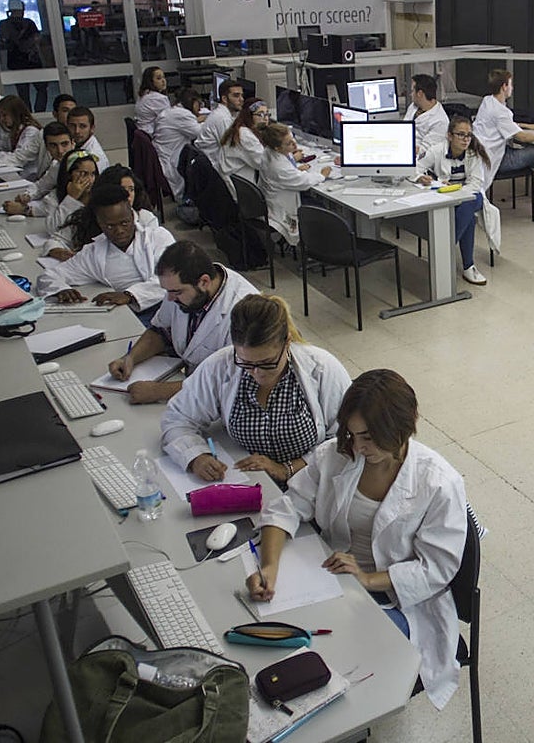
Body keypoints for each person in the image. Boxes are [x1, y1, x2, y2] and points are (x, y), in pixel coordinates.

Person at [251, 369, 467, 709]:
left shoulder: (439, 483)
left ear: (403, 428)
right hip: (331, 578)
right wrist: (269, 566)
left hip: (398, 599)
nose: (358, 447)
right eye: (352, 435)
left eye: (369, 437)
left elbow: (437, 569)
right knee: (280, 643)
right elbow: (288, 508)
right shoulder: (338, 454)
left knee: (338, 665)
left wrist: (366, 578)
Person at [161, 294, 351, 485]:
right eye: (246, 363)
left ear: (287, 342)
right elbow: (178, 418)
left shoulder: (322, 368)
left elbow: (344, 440)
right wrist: (196, 456)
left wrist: (287, 469)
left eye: (268, 363)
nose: (257, 373)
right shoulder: (220, 366)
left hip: (312, 479)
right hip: (248, 479)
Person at [108, 240, 259, 404]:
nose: (170, 298)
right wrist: (130, 358)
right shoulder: (180, 290)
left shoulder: (245, 314)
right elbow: (160, 331)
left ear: (204, 282)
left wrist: (159, 391)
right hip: (190, 385)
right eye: (167, 291)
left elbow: (230, 382)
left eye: (176, 292)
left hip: (224, 403)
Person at [34, 182, 175, 322]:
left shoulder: (158, 238)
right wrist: (61, 289)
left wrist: (129, 295)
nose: (119, 230)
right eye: (110, 226)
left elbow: (170, 279)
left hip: (167, 308)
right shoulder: (93, 253)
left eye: (124, 223)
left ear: (133, 216)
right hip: (125, 315)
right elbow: (49, 276)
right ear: (100, 223)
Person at [473, 69, 534, 217]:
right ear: (504, 86)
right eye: (510, 84)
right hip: (497, 159)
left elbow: (506, 123)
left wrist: (529, 126)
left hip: (485, 153)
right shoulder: (500, 111)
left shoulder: (488, 100)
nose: (512, 88)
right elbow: (521, 137)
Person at [417, 115, 491, 285]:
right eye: (461, 135)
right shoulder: (437, 151)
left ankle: (445, 251)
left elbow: (476, 183)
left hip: (471, 196)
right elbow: (416, 168)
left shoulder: (473, 154)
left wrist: (456, 192)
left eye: (469, 135)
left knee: (467, 204)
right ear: (449, 136)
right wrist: (421, 177)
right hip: (445, 196)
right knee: (469, 220)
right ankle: (468, 266)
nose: (466, 139)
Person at [45, 165, 159, 258]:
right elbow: (56, 240)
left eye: (131, 189)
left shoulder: (146, 219)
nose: (128, 196)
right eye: (122, 190)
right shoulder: (87, 217)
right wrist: (58, 251)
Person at [255, 122, 332, 245]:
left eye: (293, 138)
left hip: (275, 196)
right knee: (323, 210)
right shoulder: (279, 167)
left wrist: (295, 169)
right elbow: (304, 182)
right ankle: (319, 246)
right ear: (277, 148)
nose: (294, 144)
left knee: (315, 202)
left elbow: (289, 174)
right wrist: (322, 175)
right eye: (289, 143)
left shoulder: (269, 151)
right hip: (281, 208)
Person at [2, 122, 74, 215]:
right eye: (53, 145)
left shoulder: (80, 167)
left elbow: (56, 205)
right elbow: (42, 185)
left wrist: (25, 209)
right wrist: (27, 195)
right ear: (47, 147)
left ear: (72, 143)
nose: (60, 151)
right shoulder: (58, 164)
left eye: (64, 144)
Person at [35, 149, 100, 252]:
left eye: (93, 174)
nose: (90, 180)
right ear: (69, 174)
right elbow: (53, 229)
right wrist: (71, 198)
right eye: (84, 174)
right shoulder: (54, 197)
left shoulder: (99, 197)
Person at [0, 96, 45, 179]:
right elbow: (3, 144)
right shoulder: (17, 129)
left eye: (5, 115)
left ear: (16, 113)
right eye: (0, 116)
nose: (2, 119)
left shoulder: (31, 132)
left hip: (30, 176)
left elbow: (19, 157)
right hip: (18, 171)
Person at [0, 0, 49, 112]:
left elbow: (3, 41)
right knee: (41, 89)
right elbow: (37, 39)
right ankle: (40, 112)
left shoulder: (4, 24)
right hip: (32, 62)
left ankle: (28, 114)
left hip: (16, 63)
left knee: (23, 93)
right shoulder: (28, 22)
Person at [153, 88, 204, 201]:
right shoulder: (182, 114)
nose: (200, 108)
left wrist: (198, 119)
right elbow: (200, 133)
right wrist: (210, 120)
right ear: (192, 102)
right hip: (172, 161)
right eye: (199, 104)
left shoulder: (172, 111)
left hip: (164, 155)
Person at [218, 98, 271, 185]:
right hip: (241, 187)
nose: (266, 119)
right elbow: (264, 164)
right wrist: (291, 157)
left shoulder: (240, 128)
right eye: (260, 114)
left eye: (267, 114)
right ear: (249, 116)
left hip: (236, 181)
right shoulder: (245, 135)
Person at [195, 78, 245, 166]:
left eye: (241, 95)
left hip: (210, 163)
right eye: (236, 96)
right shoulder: (222, 118)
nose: (241, 99)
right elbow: (232, 150)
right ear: (224, 99)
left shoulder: (220, 112)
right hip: (214, 167)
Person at [403, 73, 450, 154]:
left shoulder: (440, 122)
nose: (410, 95)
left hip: (418, 159)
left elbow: (424, 151)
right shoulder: (414, 106)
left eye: (412, 91)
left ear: (420, 94)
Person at [66, 106, 110, 171]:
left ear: (92, 128)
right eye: (72, 126)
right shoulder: (73, 145)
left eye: (82, 126)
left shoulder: (94, 157)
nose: (77, 131)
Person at [134, 66, 171, 136]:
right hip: (153, 135)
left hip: (144, 133)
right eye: (159, 78)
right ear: (150, 81)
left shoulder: (144, 95)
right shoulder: (157, 98)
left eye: (164, 77)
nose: (163, 81)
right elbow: (169, 120)